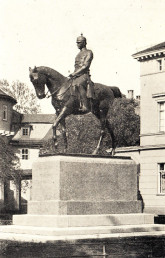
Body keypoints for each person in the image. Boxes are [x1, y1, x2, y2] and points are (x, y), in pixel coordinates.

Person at [69, 34, 94, 112]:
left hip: (84, 75)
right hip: (76, 75)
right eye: (77, 43)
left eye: (79, 42)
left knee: (79, 84)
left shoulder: (89, 52)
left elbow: (85, 66)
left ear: (84, 43)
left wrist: (75, 73)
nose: (77, 44)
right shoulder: (78, 54)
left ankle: (85, 105)